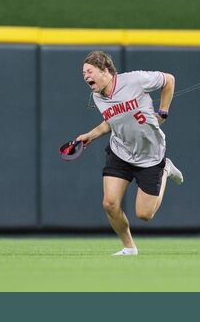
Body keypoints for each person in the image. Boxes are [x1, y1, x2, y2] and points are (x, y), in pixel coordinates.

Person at [77, 51, 183, 256]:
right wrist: (90, 135)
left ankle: (165, 169)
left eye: (89, 71)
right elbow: (112, 120)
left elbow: (169, 80)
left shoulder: (135, 80)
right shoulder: (97, 97)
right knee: (109, 203)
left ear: (105, 70)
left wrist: (163, 111)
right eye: (83, 73)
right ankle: (129, 247)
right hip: (121, 151)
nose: (85, 76)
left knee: (144, 214)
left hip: (150, 154)